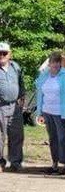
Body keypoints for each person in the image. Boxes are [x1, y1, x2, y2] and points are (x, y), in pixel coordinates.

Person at [35, 51, 65, 175]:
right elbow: (39, 90)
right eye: (53, 63)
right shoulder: (44, 75)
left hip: (62, 111)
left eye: (57, 63)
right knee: (53, 138)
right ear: (49, 64)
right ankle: (54, 164)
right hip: (47, 111)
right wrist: (39, 112)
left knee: (63, 138)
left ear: (60, 64)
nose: (55, 66)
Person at [0, 42, 25, 172]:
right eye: (0, 53)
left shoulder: (15, 67)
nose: (2, 56)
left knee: (17, 135)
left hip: (15, 106)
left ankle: (15, 162)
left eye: (4, 53)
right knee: (0, 136)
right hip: (0, 107)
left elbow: (21, 83)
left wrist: (22, 97)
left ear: (10, 54)